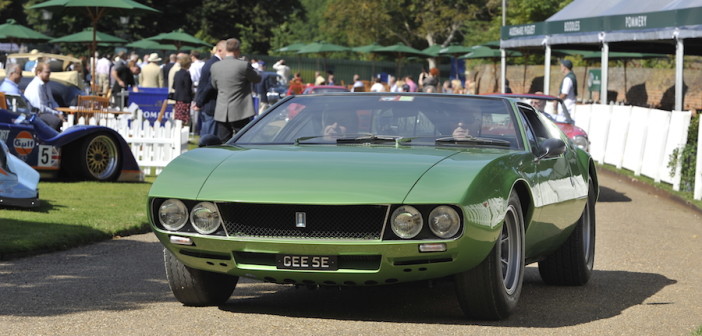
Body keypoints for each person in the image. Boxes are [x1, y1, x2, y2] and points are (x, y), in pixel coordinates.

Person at [210, 38, 261, 141]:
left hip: (222, 110)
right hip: (241, 110)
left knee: (224, 142)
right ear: (238, 50)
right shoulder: (243, 65)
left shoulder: (215, 66)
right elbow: (257, 78)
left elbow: (214, 85)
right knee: (242, 141)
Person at [194, 40, 226, 138]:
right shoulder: (215, 64)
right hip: (211, 104)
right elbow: (209, 86)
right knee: (209, 137)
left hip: (207, 104)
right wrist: (199, 102)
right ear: (220, 50)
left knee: (207, 134)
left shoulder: (210, 62)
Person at [23, 63, 64, 130]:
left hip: (46, 112)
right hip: (37, 114)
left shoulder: (46, 84)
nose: (49, 74)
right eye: (47, 72)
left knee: (66, 118)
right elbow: (40, 107)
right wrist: (56, 114)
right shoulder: (36, 86)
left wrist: (60, 112)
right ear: (39, 72)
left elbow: (52, 101)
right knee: (56, 121)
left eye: (49, 72)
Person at [172, 54, 193, 125]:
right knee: (184, 119)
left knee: (178, 117)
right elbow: (188, 88)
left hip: (177, 98)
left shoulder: (177, 73)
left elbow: (174, 86)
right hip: (185, 99)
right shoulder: (186, 74)